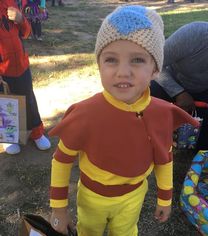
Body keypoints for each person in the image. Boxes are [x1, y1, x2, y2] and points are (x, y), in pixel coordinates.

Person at [48, 5, 199, 236]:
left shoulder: (161, 114)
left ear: (155, 69)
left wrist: (165, 197)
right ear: (99, 65)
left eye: (137, 59)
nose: (123, 72)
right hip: (92, 197)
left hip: (133, 197)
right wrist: (59, 209)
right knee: (89, 231)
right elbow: (61, 159)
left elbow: (164, 157)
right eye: (111, 60)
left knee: (126, 231)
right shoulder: (86, 114)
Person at [150, 21, 208, 150]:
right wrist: (179, 92)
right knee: (146, 104)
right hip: (165, 83)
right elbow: (154, 63)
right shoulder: (197, 33)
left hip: (199, 92)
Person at [0, 0, 51, 154]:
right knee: (6, 102)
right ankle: (9, 137)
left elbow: (27, 33)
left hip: (21, 65)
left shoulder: (15, 2)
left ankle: (36, 133)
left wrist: (21, 19)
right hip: (2, 70)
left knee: (28, 98)